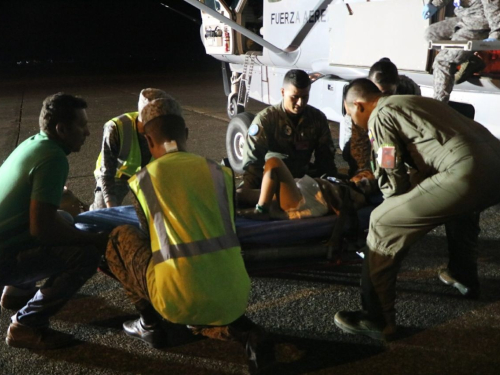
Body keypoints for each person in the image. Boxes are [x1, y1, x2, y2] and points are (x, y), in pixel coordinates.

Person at [334, 79, 500, 340]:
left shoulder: (379, 114)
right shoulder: (415, 102)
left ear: (359, 104)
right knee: (462, 207)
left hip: (466, 170)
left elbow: (392, 175)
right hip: (493, 166)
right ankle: (463, 275)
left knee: (382, 222)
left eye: (351, 114)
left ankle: (377, 318)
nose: (353, 121)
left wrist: (391, 198)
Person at [105, 99, 257, 354]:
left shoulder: (143, 182)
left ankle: (149, 324)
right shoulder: (220, 173)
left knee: (118, 238)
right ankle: (237, 330)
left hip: (175, 300)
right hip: (236, 294)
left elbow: (151, 239)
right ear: (185, 134)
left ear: (149, 141)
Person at [0, 93, 108, 349]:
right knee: (85, 255)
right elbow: (43, 229)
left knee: (64, 217)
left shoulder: (34, 144)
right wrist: (95, 240)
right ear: (62, 129)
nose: (88, 132)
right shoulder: (53, 158)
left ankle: (18, 291)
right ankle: (26, 326)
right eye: (82, 126)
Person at [240, 69, 338, 196]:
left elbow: (326, 159)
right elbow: (252, 165)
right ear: (282, 92)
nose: (300, 103)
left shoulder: (317, 118)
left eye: (305, 97)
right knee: (240, 197)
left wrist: (327, 185)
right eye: (295, 97)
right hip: (271, 180)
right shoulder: (266, 120)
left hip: (303, 179)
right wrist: (253, 192)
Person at [90, 88, 182, 210]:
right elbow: (107, 173)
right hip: (118, 174)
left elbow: (173, 162)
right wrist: (110, 209)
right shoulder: (116, 128)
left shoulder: (164, 128)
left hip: (150, 173)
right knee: (101, 214)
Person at [343, 58, 421, 186]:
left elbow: (390, 148)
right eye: (377, 93)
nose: (380, 99)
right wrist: (363, 173)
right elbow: (359, 140)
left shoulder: (409, 94)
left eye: (386, 94)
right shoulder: (361, 96)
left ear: (396, 87)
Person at [240, 157, 365, 220]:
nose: (363, 179)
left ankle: (261, 210)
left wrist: (329, 189)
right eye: (363, 175)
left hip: (303, 200)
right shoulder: (343, 181)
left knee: (274, 163)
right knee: (240, 194)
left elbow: (343, 211)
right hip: (299, 190)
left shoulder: (357, 195)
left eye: (367, 180)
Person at [423, 0, 500, 103]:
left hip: (479, 25)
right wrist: (434, 5)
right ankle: (467, 59)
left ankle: (439, 105)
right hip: (463, 18)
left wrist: (496, 34)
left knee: (442, 61)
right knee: (430, 34)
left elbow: (494, 8)